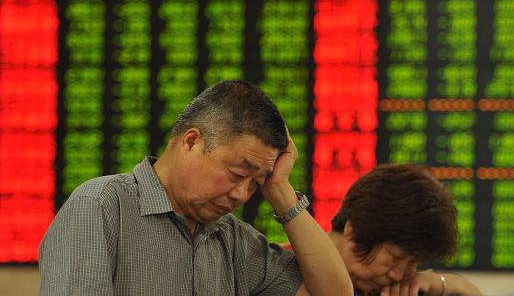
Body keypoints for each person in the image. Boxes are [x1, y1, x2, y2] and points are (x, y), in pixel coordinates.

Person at [39, 80, 352, 295]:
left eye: (256, 184)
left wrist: (281, 192)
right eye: (236, 173)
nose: (241, 195)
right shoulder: (101, 206)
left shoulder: (232, 238)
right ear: (191, 141)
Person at [328, 163, 482, 296]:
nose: (399, 275)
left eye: (413, 262)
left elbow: (470, 291)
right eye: (395, 257)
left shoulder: (389, 288)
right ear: (353, 230)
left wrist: (439, 283)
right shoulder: (305, 276)